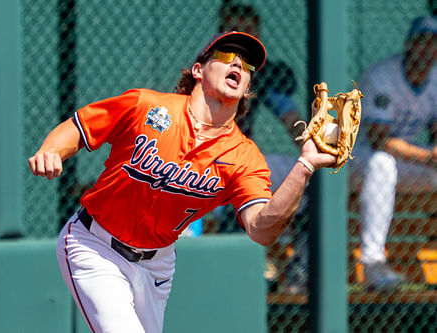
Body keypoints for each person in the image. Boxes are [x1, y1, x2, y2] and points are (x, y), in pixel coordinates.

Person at [28, 31, 336, 332]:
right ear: (199, 70)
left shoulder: (244, 156)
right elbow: (80, 127)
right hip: (95, 245)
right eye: (228, 56)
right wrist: (51, 149)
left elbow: (261, 229)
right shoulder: (146, 106)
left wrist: (305, 165)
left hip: (157, 266)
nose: (239, 66)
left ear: (247, 90)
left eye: (247, 65)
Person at [218, 1, 309, 294]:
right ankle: (250, 265)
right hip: (207, 164)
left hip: (245, 160)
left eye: (249, 31)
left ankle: (302, 265)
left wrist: (311, 149)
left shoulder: (262, 72)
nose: (243, 37)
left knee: (305, 176)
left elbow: (290, 117)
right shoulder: (209, 69)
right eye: (236, 31)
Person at [350, 16, 437, 290]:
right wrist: (427, 157)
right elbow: (379, 140)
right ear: (408, 44)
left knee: (389, 164)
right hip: (357, 159)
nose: (427, 49)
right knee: (382, 163)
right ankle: (373, 263)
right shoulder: (382, 76)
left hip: (406, 162)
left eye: (433, 43)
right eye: (421, 42)